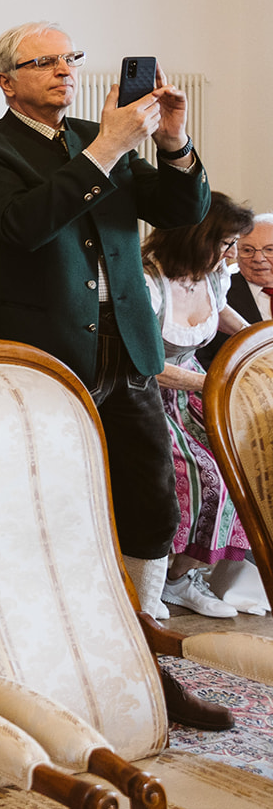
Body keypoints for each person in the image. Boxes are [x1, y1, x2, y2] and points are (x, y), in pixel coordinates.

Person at [0, 21, 230, 730]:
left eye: (69, 59)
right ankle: (37, 670)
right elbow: (23, 226)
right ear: (6, 81)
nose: (65, 71)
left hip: (126, 350)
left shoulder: (99, 138)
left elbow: (183, 211)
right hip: (40, 357)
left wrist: (172, 141)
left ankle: (144, 662)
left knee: (150, 502)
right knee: (45, 514)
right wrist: (108, 149)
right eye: (45, 62)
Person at [141, 192, 257, 616]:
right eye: (225, 244)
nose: (232, 254)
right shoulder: (147, 281)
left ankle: (183, 576)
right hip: (146, 393)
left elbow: (220, 311)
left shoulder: (212, 274)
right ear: (195, 238)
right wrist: (213, 383)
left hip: (195, 386)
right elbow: (146, 364)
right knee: (208, 478)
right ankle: (164, 578)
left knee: (246, 468)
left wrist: (257, 338)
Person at [196, 212, 273, 369]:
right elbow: (201, 359)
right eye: (247, 250)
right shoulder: (215, 294)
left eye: (270, 249)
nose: (258, 259)